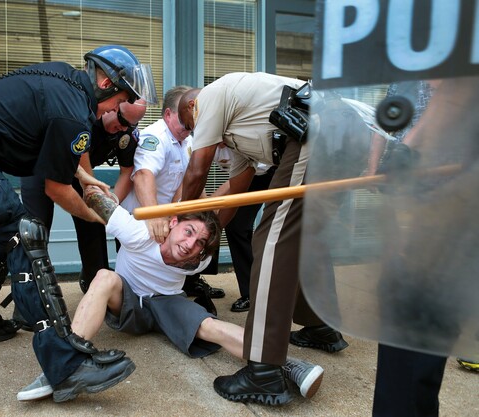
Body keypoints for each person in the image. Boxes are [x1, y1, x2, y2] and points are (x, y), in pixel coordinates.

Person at [0, 44, 157, 402]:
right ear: (107, 82)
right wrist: (94, 216)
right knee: (23, 237)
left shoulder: (65, 83)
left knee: (4, 238)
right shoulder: (74, 111)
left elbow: (48, 143)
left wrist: (86, 178)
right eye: (123, 99)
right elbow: (56, 189)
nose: (117, 109)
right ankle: (66, 365)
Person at [17, 185, 325, 404]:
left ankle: (284, 364)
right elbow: (95, 197)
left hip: (167, 303)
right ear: (172, 222)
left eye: (200, 243)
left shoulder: (198, 259)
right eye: (189, 232)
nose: (191, 245)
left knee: (210, 326)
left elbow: (214, 216)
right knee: (104, 277)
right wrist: (92, 184)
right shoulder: (138, 231)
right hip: (128, 301)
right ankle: (65, 363)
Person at [177, 73, 350, 405]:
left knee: (270, 240)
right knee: (301, 241)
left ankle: (264, 370)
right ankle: (320, 326)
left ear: (193, 106)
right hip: (325, 136)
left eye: (191, 126)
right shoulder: (240, 135)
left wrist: (182, 219)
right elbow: (237, 191)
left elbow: (197, 171)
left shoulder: (211, 97)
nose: (194, 134)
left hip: (315, 130)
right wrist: (206, 238)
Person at [370, 77, 478, 416]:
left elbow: (455, 91)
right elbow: (448, 94)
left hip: (457, 207)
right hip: (428, 207)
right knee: (404, 308)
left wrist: (411, 149)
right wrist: (404, 152)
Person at [18, 99, 147, 297]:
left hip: (80, 175)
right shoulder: (83, 118)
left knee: (94, 222)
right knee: (36, 230)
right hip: (41, 170)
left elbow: (127, 171)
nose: (122, 128)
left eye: (131, 124)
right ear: (111, 108)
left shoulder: (125, 133)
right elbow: (80, 164)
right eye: (121, 120)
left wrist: (112, 200)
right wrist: (93, 192)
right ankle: (29, 299)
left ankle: (97, 284)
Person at [119, 85, 225, 303]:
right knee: (137, 285)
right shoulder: (154, 137)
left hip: (169, 219)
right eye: (185, 119)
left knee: (204, 232)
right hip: (142, 220)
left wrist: (206, 213)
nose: (190, 125)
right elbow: (143, 175)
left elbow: (190, 181)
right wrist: (154, 214)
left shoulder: (188, 140)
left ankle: (191, 283)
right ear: (168, 114)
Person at [209, 143, 276, 312]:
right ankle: (252, 294)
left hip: (276, 170)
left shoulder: (240, 136)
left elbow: (243, 177)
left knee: (277, 230)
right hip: (251, 174)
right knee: (236, 227)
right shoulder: (204, 140)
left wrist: (211, 204)